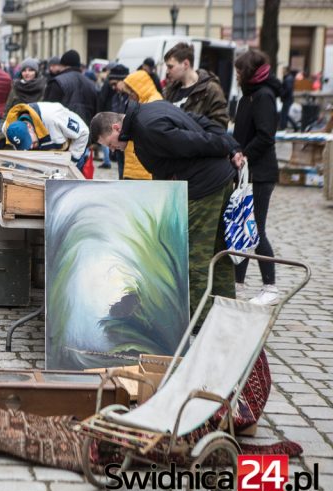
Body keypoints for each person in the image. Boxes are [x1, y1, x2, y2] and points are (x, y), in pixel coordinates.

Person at [90, 102, 242, 320]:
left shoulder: (147, 128)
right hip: (218, 180)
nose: (112, 150)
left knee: (194, 258)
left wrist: (228, 146)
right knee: (220, 254)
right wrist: (232, 145)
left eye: (110, 144)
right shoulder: (151, 109)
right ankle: (227, 318)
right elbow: (201, 121)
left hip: (204, 188)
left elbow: (196, 143)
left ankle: (202, 323)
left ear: (116, 128)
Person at [232, 50, 283, 305]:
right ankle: (237, 284)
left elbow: (265, 136)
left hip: (261, 173)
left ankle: (270, 286)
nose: (236, 76)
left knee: (256, 230)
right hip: (246, 172)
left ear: (249, 72)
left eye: (239, 71)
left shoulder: (263, 96)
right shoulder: (247, 96)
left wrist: (244, 154)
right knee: (242, 228)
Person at [2, 102, 90, 170]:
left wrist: (71, 162)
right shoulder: (8, 130)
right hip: (45, 158)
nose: (30, 147)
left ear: (29, 127)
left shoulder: (54, 117)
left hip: (71, 151)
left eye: (29, 141)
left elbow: (83, 132)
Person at [163, 42, 229, 128]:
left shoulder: (211, 89)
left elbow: (220, 126)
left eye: (170, 67)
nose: (167, 71)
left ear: (186, 64)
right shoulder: (171, 89)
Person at [114, 69, 163, 180]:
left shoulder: (152, 102)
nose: (130, 96)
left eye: (131, 92)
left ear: (138, 89)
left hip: (142, 167)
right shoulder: (143, 101)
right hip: (136, 164)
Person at [43, 49, 98, 125]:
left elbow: (47, 110)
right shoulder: (91, 85)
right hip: (85, 128)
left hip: (61, 128)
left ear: (62, 65)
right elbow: (96, 113)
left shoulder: (57, 82)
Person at [99, 64, 129, 177]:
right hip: (120, 141)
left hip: (128, 143)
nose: (113, 88)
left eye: (115, 84)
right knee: (121, 171)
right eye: (111, 84)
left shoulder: (131, 97)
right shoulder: (116, 97)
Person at [279, 66, 297, 131]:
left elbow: (288, 89)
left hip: (287, 99)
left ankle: (285, 126)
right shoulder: (288, 78)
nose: (282, 72)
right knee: (284, 113)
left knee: (284, 113)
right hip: (287, 98)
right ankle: (284, 126)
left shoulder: (288, 79)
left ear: (286, 71)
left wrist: (282, 93)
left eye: (283, 70)